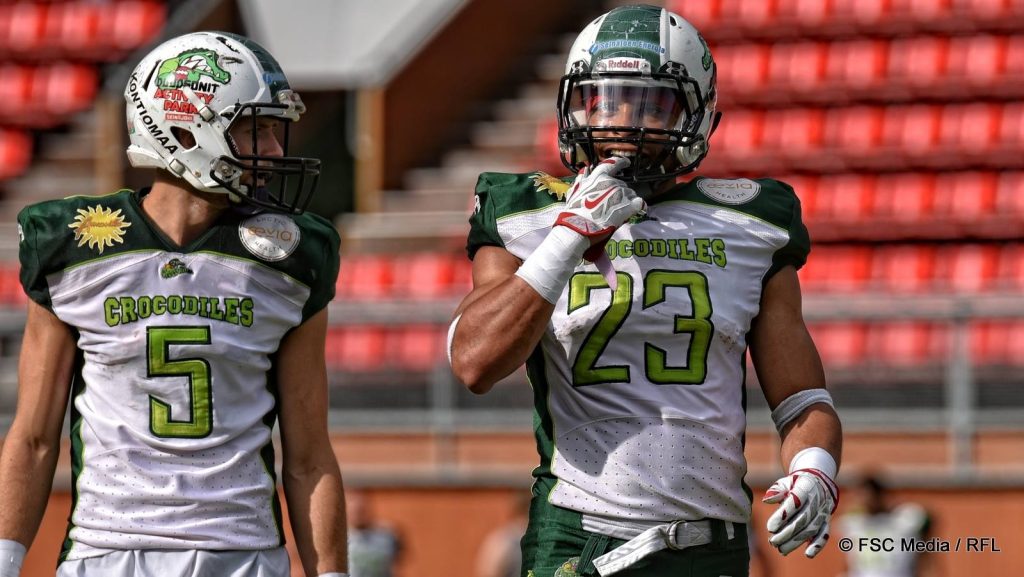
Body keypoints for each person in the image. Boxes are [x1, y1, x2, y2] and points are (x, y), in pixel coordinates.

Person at [448, 5, 842, 577]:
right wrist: (568, 236)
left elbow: (802, 398)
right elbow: (474, 362)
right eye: (606, 100)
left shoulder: (751, 224)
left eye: (652, 104)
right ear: (577, 106)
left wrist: (814, 467)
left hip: (712, 546)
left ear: (697, 116)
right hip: (578, 538)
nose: (623, 123)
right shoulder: (527, 213)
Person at [0, 31, 348, 577]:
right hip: (110, 546)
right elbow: (34, 437)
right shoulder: (76, 245)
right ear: (185, 130)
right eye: (255, 129)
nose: (275, 150)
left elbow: (309, 457)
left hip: (242, 550)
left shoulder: (291, 257)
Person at [837, 475, 933, 577]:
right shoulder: (853, 524)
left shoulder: (903, 520)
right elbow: (851, 560)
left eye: (868, 496)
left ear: (879, 495)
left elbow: (926, 521)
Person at [346, 490, 402, 577]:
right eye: (354, 511)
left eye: (361, 510)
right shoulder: (341, 539)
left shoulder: (387, 536)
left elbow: (397, 562)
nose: (358, 515)